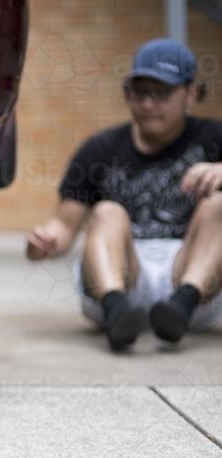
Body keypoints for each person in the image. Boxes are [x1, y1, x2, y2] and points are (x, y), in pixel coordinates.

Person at [26, 38, 222, 351]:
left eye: (162, 93)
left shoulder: (214, 137)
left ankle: (181, 307)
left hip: (195, 280)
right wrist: (44, 240)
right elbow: (63, 226)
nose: (147, 104)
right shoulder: (100, 148)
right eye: (139, 92)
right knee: (106, 211)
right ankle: (117, 313)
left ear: (191, 93)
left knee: (219, 204)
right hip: (119, 275)